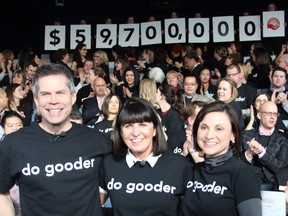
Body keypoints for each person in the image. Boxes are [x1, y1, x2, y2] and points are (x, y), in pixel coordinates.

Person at [0, 63, 112, 216]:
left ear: (73, 97)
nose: (53, 101)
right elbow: (1, 192)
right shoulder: (13, 144)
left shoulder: (97, 140)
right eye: (46, 94)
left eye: (60, 93)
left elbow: (119, 182)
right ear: (36, 99)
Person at [99, 97, 191, 216]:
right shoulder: (109, 163)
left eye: (142, 124)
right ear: (120, 132)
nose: (136, 132)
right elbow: (92, 205)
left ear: (154, 130)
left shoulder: (180, 165)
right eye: (128, 126)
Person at [179, 101, 262, 216]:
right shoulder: (191, 170)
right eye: (204, 127)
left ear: (233, 135)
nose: (209, 135)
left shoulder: (242, 174)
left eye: (219, 129)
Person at [241, 101, 288, 189]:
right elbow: (236, 163)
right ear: (259, 115)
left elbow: (281, 168)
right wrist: (248, 153)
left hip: (272, 183)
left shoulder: (283, 139)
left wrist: (262, 153)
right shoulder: (246, 135)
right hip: (246, 180)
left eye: (275, 114)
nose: (272, 117)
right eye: (268, 113)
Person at [0, 110, 23, 215]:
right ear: (3, 129)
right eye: (10, 125)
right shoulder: (2, 149)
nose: (15, 128)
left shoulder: (32, 147)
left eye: (19, 125)